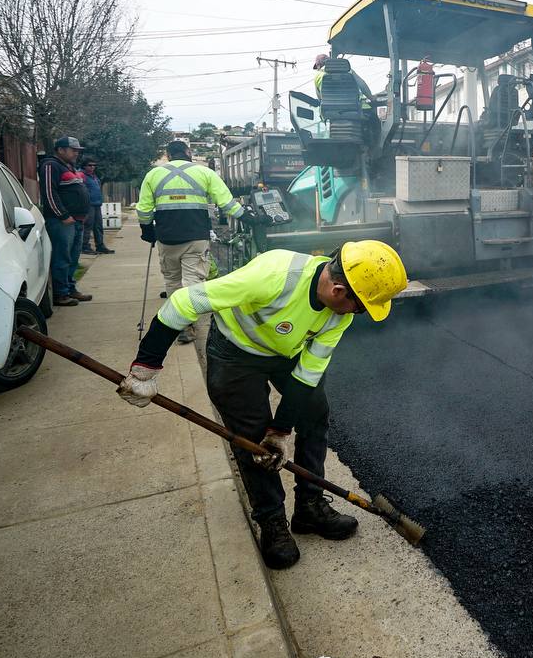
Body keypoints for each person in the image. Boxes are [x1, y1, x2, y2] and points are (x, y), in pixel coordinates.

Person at [117, 240, 409, 570]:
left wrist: (281, 430)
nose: (360, 314)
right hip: (235, 355)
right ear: (339, 290)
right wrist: (145, 369)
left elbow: (307, 374)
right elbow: (183, 303)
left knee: (315, 414)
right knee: (252, 440)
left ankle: (309, 506)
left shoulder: (340, 314)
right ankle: (271, 521)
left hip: (286, 354)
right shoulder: (273, 275)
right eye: (360, 307)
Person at [136, 140, 246, 344]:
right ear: (188, 152)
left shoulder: (153, 175)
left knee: (172, 281)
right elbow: (227, 203)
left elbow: (143, 209)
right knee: (193, 282)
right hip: (196, 236)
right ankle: (187, 325)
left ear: (168, 155)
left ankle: (179, 324)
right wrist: (248, 217)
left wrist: (146, 229)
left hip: (167, 238)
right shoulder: (205, 173)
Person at [38, 136, 94, 306]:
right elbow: (49, 193)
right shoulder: (50, 165)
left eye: (78, 150)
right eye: (73, 150)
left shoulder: (68, 166)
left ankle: (70, 288)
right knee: (61, 258)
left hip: (76, 221)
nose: (76, 153)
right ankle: (60, 294)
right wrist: (62, 215)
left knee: (73, 257)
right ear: (61, 150)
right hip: (61, 222)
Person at [80, 161, 113, 255]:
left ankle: (100, 246)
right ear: (84, 166)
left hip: (97, 204)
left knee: (98, 226)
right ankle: (85, 246)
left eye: (94, 165)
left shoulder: (94, 176)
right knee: (88, 225)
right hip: (88, 205)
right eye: (89, 165)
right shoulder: (82, 175)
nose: (92, 167)